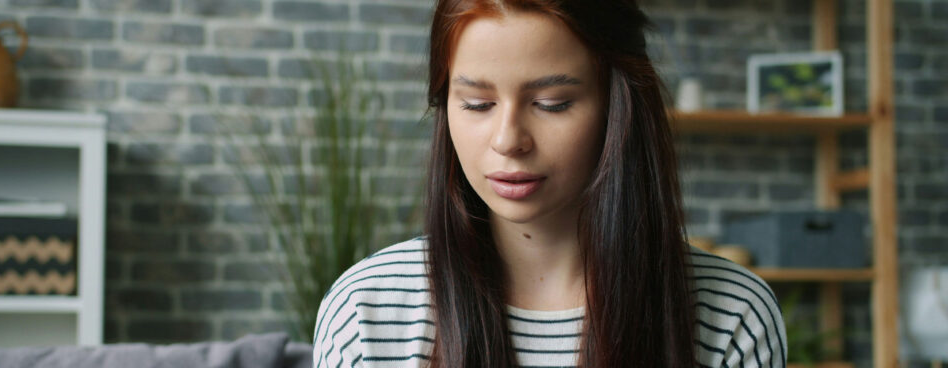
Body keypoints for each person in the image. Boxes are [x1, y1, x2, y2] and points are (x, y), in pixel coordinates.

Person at [312, 0, 787, 367]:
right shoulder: (368, 310)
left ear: (618, 106)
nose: (508, 140)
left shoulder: (730, 314)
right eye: (477, 104)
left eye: (553, 103)